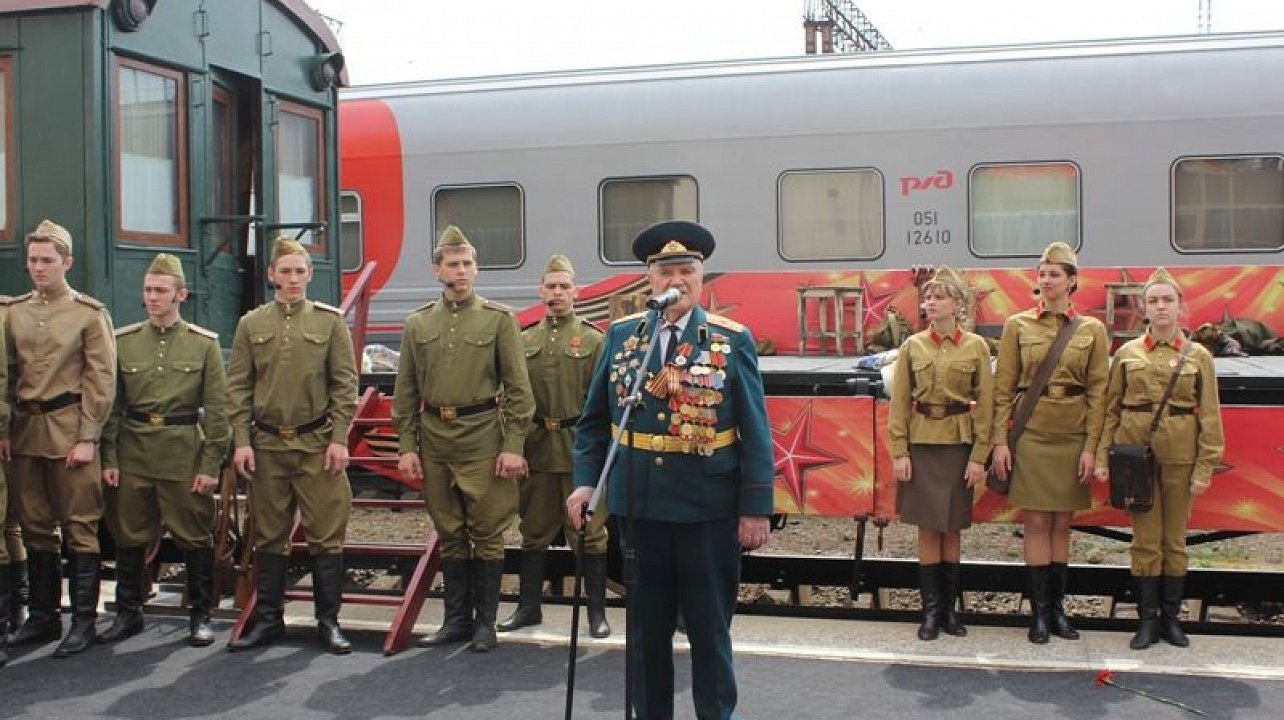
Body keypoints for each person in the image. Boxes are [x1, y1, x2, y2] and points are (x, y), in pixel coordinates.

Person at [566, 220, 774, 720]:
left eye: (687, 271)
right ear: (649, 281)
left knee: (709, 631)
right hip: (641, 508)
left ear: (702, 280)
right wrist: (585, 483)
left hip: (707, 511)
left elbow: (756, 429)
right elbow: (594, 424)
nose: (676, 281)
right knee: (646, 634)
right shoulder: (620, 339)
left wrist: (756, 509)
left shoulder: (729, 340)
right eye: (666, 272)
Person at [393, 225, 534, 653]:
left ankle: (484, 624)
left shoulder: (498, 320)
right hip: (435, 439)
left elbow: (519, 391)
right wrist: (406, 447)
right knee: (450, 531)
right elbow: (406, 392)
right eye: (452, 264)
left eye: (468, 263)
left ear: (476, 269)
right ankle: (456, 621)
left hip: (483, 440)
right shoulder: (418, 323)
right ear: (437, 270)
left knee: (487, 531)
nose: (461, 271)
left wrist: (513, 445)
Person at [226, 236, 359, 654]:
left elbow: (345, 384)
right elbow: (238, 387)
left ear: (310, 275)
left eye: (300, 271)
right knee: (268, 535)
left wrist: (339, 439)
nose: (293, 278)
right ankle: (269, 621)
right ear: (271, 276)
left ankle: (328, 622)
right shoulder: (252, 324)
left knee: (327, 535)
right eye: (285, 271)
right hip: (267, 445)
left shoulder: (329, 322)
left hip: (316, 445)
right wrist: (242, 441)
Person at [99, 253, 230, 647]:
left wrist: (210, 465)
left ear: (181, 295)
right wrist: (110, 457)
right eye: (148, 290)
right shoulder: (124, 342)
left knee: (194, 535)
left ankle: (200, 614)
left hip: (182, 453)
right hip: (134, 451)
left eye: (161, 291)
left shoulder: (204, 345)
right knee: (129, 535)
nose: (152, 298)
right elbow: (113, 407)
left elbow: (218, 411)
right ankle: (128, 613)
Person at [2, 219, 116, 658]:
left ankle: (84, 621)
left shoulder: (88, 314)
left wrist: (88, 436)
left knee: (80, 528)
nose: (38, 269)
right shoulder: (14, 312)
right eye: (32, 261)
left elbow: (100, 380)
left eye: (47, 261)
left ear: (66, 262)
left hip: (70, 432)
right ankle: (44, 617)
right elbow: (6, 375)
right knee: (34, 527)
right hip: (26, 433)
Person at [1095, 267, 1223, 650]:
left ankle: (1172, 620)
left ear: (1181, 307)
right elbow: (1111, 409)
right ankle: (1147, 622)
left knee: (1175, 542)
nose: (1161, 306)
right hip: (1136, 461)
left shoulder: (1197, 355)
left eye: (1168, 299)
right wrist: (1103, 455)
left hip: (1181, 460)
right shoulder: (1127, 353)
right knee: (1145, 541)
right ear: (1144, 309)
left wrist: (1206, 466)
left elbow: (1211, 416)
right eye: (1154, 300)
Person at [990, 241, 1109, 644]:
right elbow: (1002, 388)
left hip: (1073, 435)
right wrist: (999, 442)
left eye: (1054, 274)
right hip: (1032, 435)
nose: (1045, 279)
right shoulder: (1017, 326)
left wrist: (1093, 447)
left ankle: (1058, 612)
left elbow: (1099, 392)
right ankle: (1039, 616)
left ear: (1072, 281)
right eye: (1041, 273)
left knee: (1063, 523)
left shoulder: (1092, 330)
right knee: (1038, 521)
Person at [498, 254, 610, 638]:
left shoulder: (595, 339)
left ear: (575, 292)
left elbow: (605, 402)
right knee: (534, 531)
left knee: (590, 533)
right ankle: (529, 608)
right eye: (551, 286)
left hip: (581, 451)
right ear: (540, 291)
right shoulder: (523, 339)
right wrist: (515, 447)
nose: (557, 293)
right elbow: (512, 397)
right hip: (538, 449)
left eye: (564, 286)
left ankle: (596, 613)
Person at [888, 266, 994, 641]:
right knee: (928, 528)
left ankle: (950, 611)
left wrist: (980, 455)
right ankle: (930, 613)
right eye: (927, 297)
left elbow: (985, 404)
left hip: (958, 445)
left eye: (938, 297)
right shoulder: (912, 346)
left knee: (952, 527)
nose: (930, 302)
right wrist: (899, 452)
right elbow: (899, 404)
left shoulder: (976, 346)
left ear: (958, 304)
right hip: (921, 445)